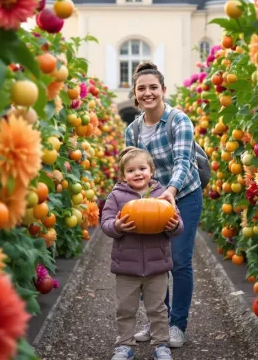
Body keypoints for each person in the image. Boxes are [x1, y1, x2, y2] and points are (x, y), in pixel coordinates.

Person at [124, 62, 203, 348]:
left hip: (184, 196)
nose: (148, 93)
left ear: (163, 90)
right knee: (154, 264)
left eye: (153, 87)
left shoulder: (178, 120)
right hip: (151, 202)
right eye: (142, 88)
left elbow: (184, 162)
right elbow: (131, 170)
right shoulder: (132, 131)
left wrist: (169, 191)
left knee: (179, 261)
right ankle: (158, 321)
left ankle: (177, 325)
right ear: (135, 93)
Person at [100, 147, 184, 360]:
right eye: (130, 170)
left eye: (142, 168)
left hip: (157, 267)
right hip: (126, 267)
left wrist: (173, 226)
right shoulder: (117, 196)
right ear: (123, 175)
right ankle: (124, 346)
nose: (137, 173)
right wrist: (117, 226)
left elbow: (178, 224)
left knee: (158, 309)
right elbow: (106, 222)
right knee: (125, 309)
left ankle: (161, 345)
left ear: (151, 171)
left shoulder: (162, 195)